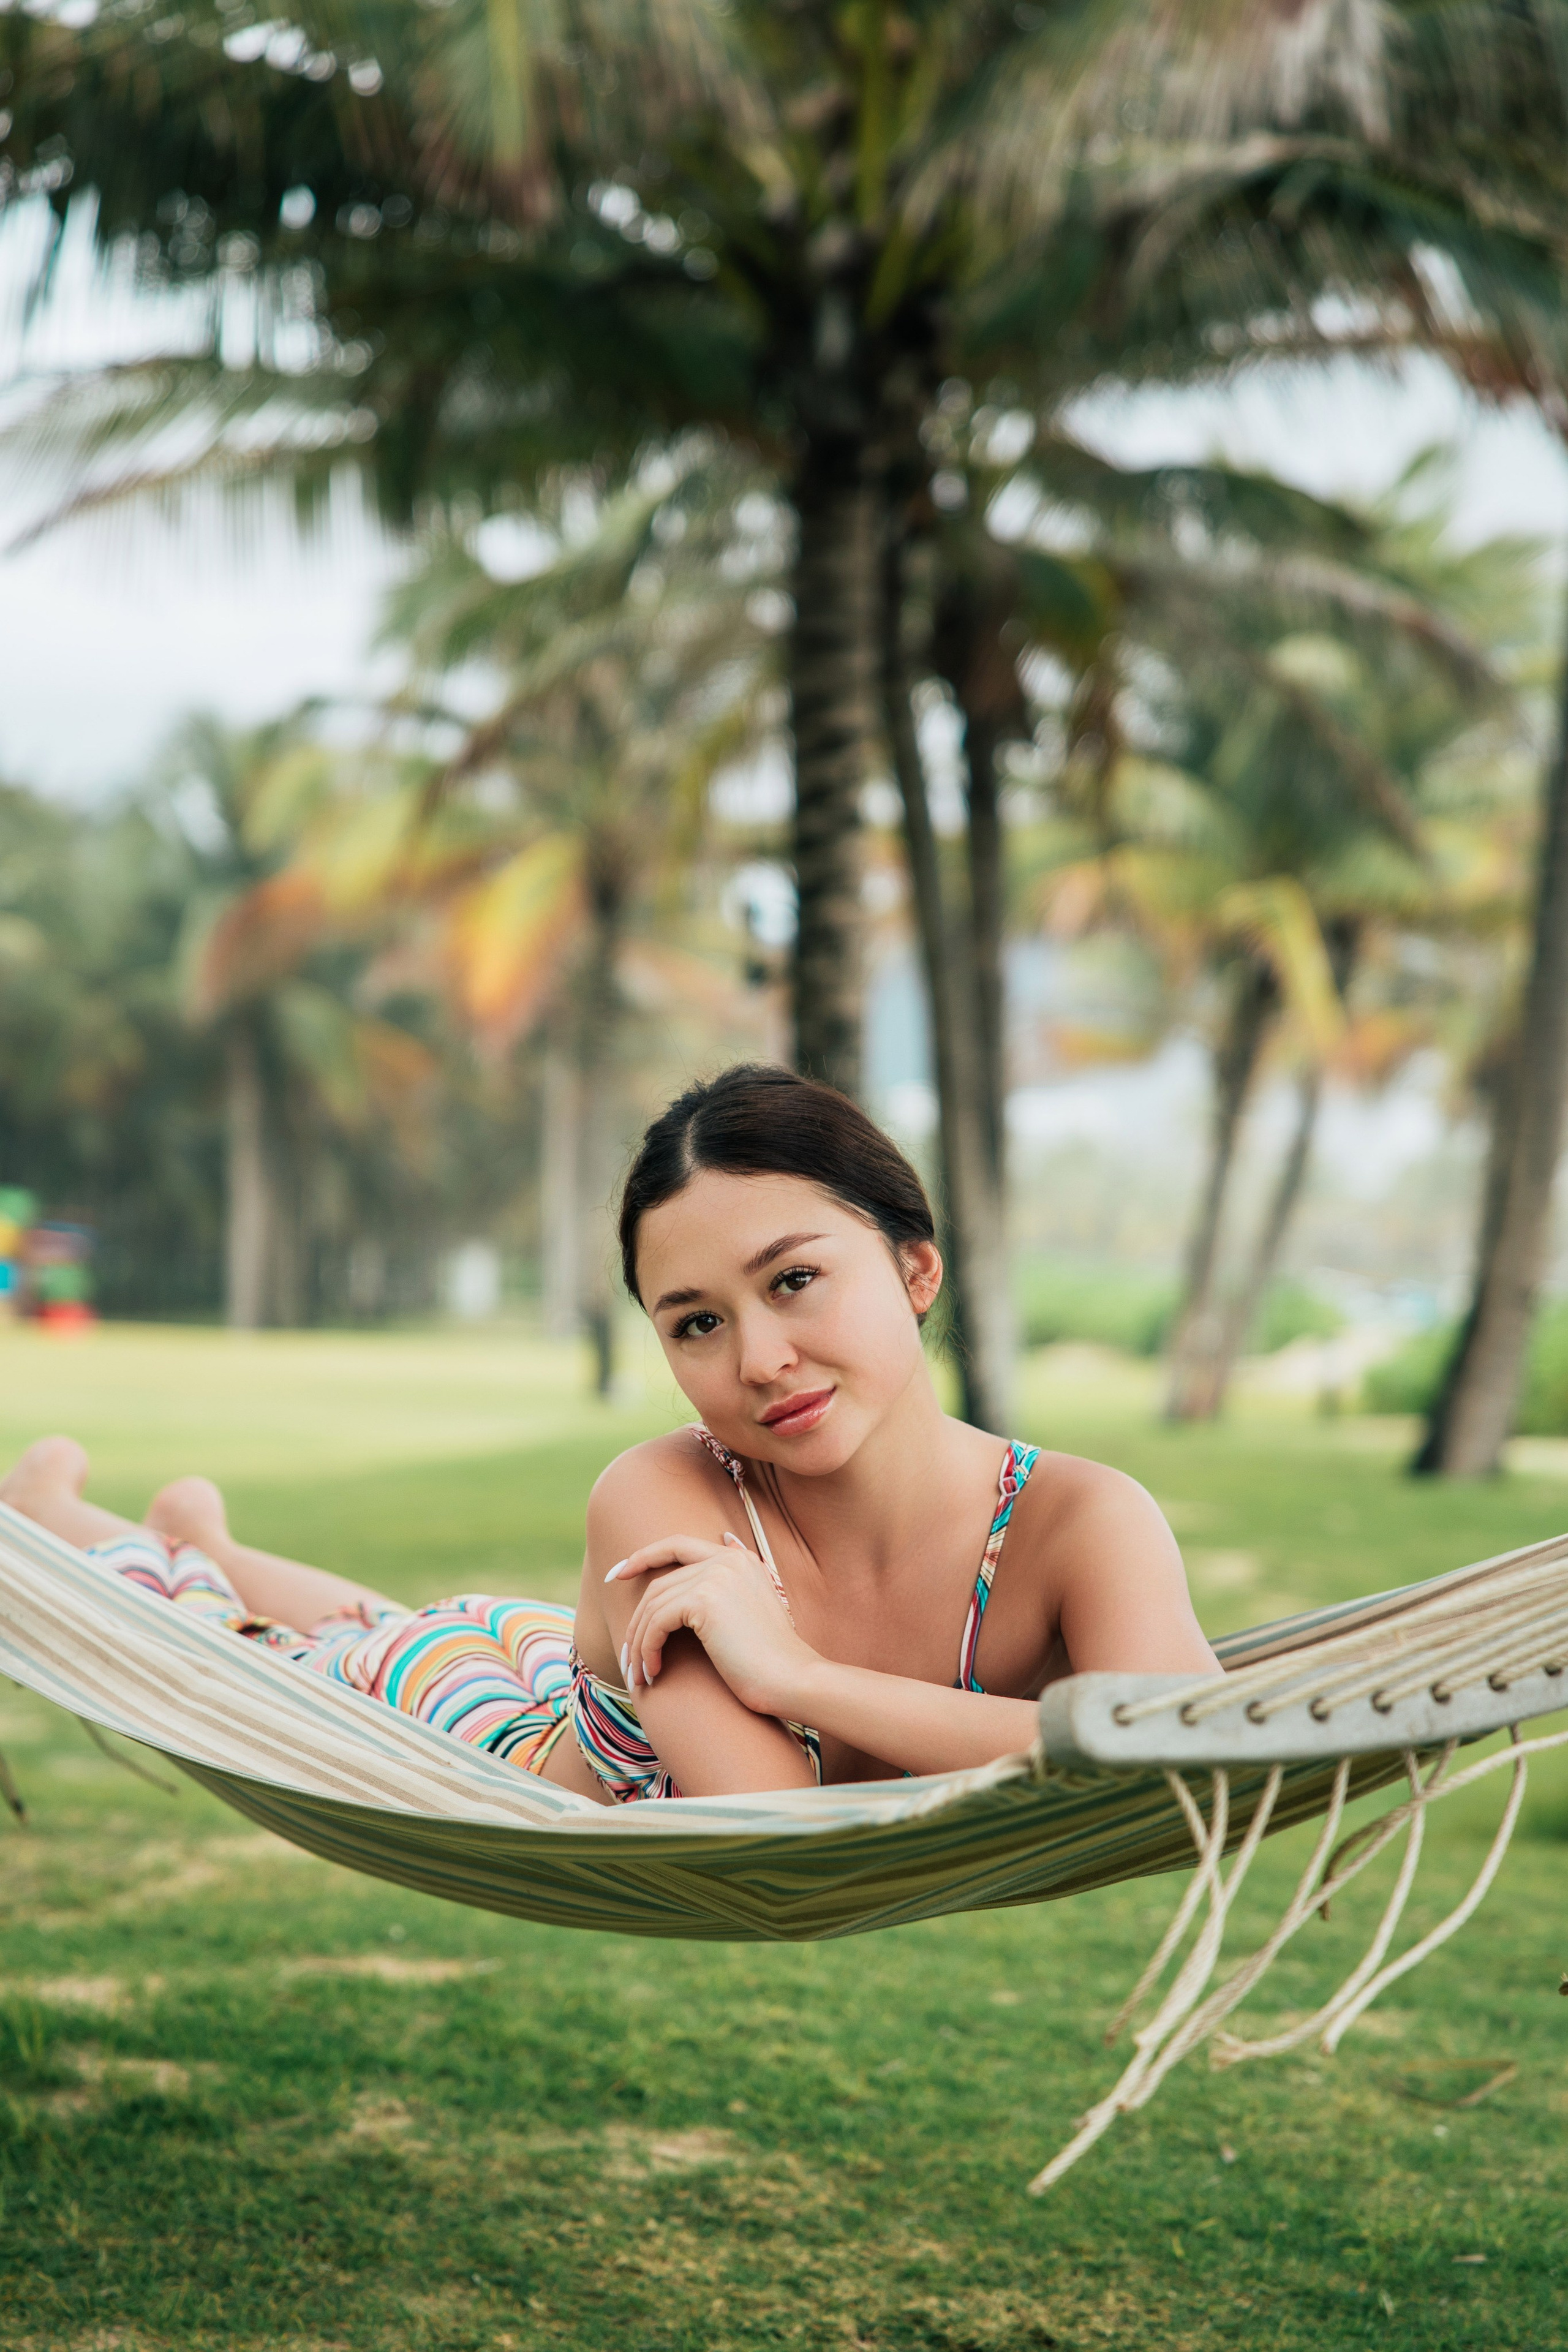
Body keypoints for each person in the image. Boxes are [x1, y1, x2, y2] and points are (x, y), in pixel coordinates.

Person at [0, 1065, 1217, 1806]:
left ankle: (204, 1534)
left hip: (556, 1656)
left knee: (379, 1618)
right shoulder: (661, 1494)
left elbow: (1188, 1751)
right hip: (490, 1726)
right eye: (696, 1323)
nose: (758, 1360)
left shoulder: (1082, 1520)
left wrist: (794, 1677)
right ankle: (62, 1514)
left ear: (914, 1269)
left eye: (794, 1280)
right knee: (260, 1649)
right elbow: (768, 1815)